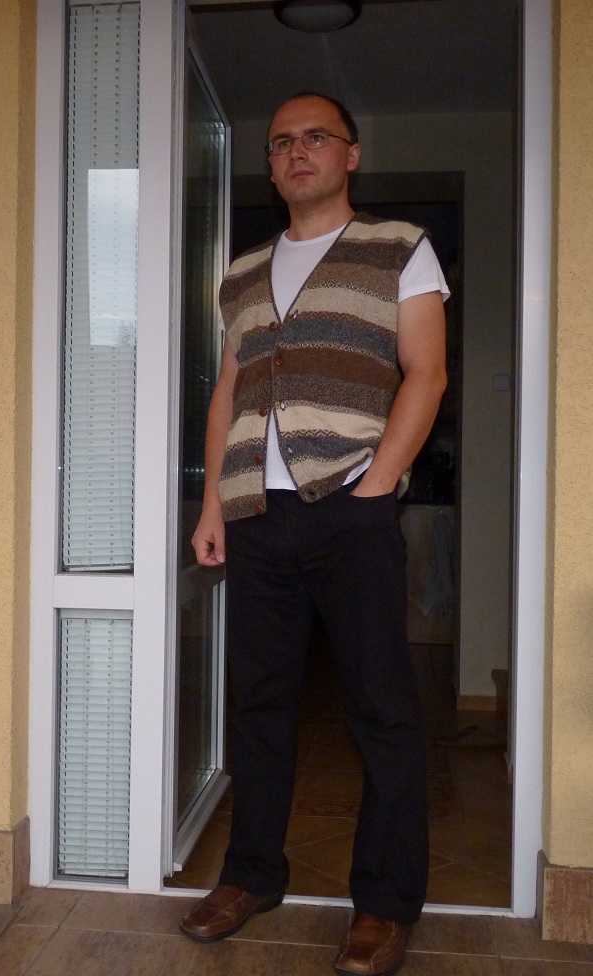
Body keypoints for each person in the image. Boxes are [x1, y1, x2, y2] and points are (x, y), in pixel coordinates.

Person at [180, 92, 448, 976]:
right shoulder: (242, 273)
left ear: (350, 154)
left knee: (380, 708)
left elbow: (426, 374)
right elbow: (228, 393)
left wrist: (374, 488)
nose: (296, 152)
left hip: (349, 509)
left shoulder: (398, 247)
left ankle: (384, 903)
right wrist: (213, 505)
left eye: (315, 138)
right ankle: (252, 875)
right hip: (256, 517)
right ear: (270, 164)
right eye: (280, 143)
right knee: (258, 705)